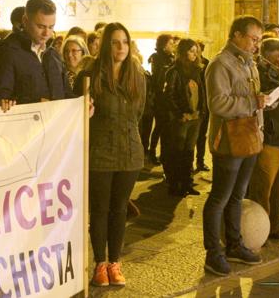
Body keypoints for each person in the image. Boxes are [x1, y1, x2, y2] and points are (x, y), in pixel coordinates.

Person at [74, 22, 146, 287]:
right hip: (99, 153)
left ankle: (115, 263)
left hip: (129, 152)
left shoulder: (136, 73)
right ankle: (100, 264)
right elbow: (77, 109)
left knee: (119, 210)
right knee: (100, 210)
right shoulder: (90, 73)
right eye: (115, 42)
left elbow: (140, 112)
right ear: (106, 44)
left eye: (125, 42)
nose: (121, 47)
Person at [203, 15, 266, 276]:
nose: (256, 45)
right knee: (220, 197)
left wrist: (263, 107)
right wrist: (252, 102)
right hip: (228, 139)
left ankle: (234, 244)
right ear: (237, 35)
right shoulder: (221, 64)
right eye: (253, 39)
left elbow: (254, 99)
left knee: (238, 196)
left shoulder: (250, 64)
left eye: (259, 40)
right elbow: (218, 103)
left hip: (249, 136)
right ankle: (213, 252)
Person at [248, 38, 279, 241]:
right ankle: (260, 229)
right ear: (267, 56)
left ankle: (276, 226)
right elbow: (263, 95)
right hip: (270, 135)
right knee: (263, 188)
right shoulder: (261, 72)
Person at [0, 0, 72, 111]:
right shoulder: (7, 52)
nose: (47, 33)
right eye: (41, 26)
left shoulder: (53, 54)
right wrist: (35, 103)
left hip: (56, 127)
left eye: (51, 27)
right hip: (26, 127)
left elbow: (67, 94)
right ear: (25, 21)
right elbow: (1, 99)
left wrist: (82, 106)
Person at [162, 38, 205, 196]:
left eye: (196, 51)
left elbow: (201, 93)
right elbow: (169, 95)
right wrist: (180, 114)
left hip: (195, 118)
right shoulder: (174, 71)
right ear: (183, 52)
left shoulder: (197, 71)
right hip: (182, 119)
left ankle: (187, 183)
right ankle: (175, 184)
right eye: (191, 51)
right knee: (177, 152)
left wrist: (201, 112)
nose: (194, 54)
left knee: (189, 152)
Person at [145, 34, 175, 165]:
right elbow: (158, 78)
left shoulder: (171, 58)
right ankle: (152, 152)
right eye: (170, 43)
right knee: (159, 126)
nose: (172, 46)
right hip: (159, 98)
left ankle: (164, 154)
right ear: (163, 45)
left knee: (166, 127)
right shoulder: (157, 58)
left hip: (167, 98)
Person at [194, 40, 210, 172]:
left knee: (202, 135)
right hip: (193, 105)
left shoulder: (206, 63)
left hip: (204, 104)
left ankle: (200, 161)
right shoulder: (187, 65)